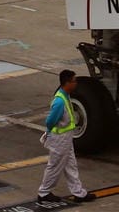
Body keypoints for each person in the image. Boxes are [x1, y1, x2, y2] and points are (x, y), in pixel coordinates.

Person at [37, 70, 96, 203]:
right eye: (74, 81)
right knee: (55, 165)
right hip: (60, 138)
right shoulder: (60, 101)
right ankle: (44, 192)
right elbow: (50, 121)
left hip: (66, 137)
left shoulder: (66, 95)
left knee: (71, 165)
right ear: (67, 83)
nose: (76, 83)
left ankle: (78, 193)